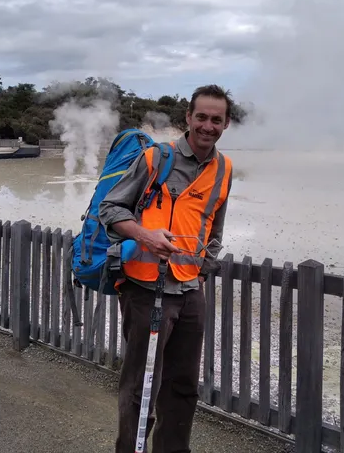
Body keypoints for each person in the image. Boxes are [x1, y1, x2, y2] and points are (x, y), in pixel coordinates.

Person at [99, 84, 235, 453]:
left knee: (183, 385)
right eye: (202, 117)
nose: (208, 126)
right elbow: (110, 210)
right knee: (141, 386)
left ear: (226, 124)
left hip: (190, 293)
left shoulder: (224, 168)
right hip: (145, 291)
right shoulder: (155, 158)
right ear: (188, 118)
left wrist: (202, 273)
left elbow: (214, 228)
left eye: (216, 119)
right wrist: (144, 236)